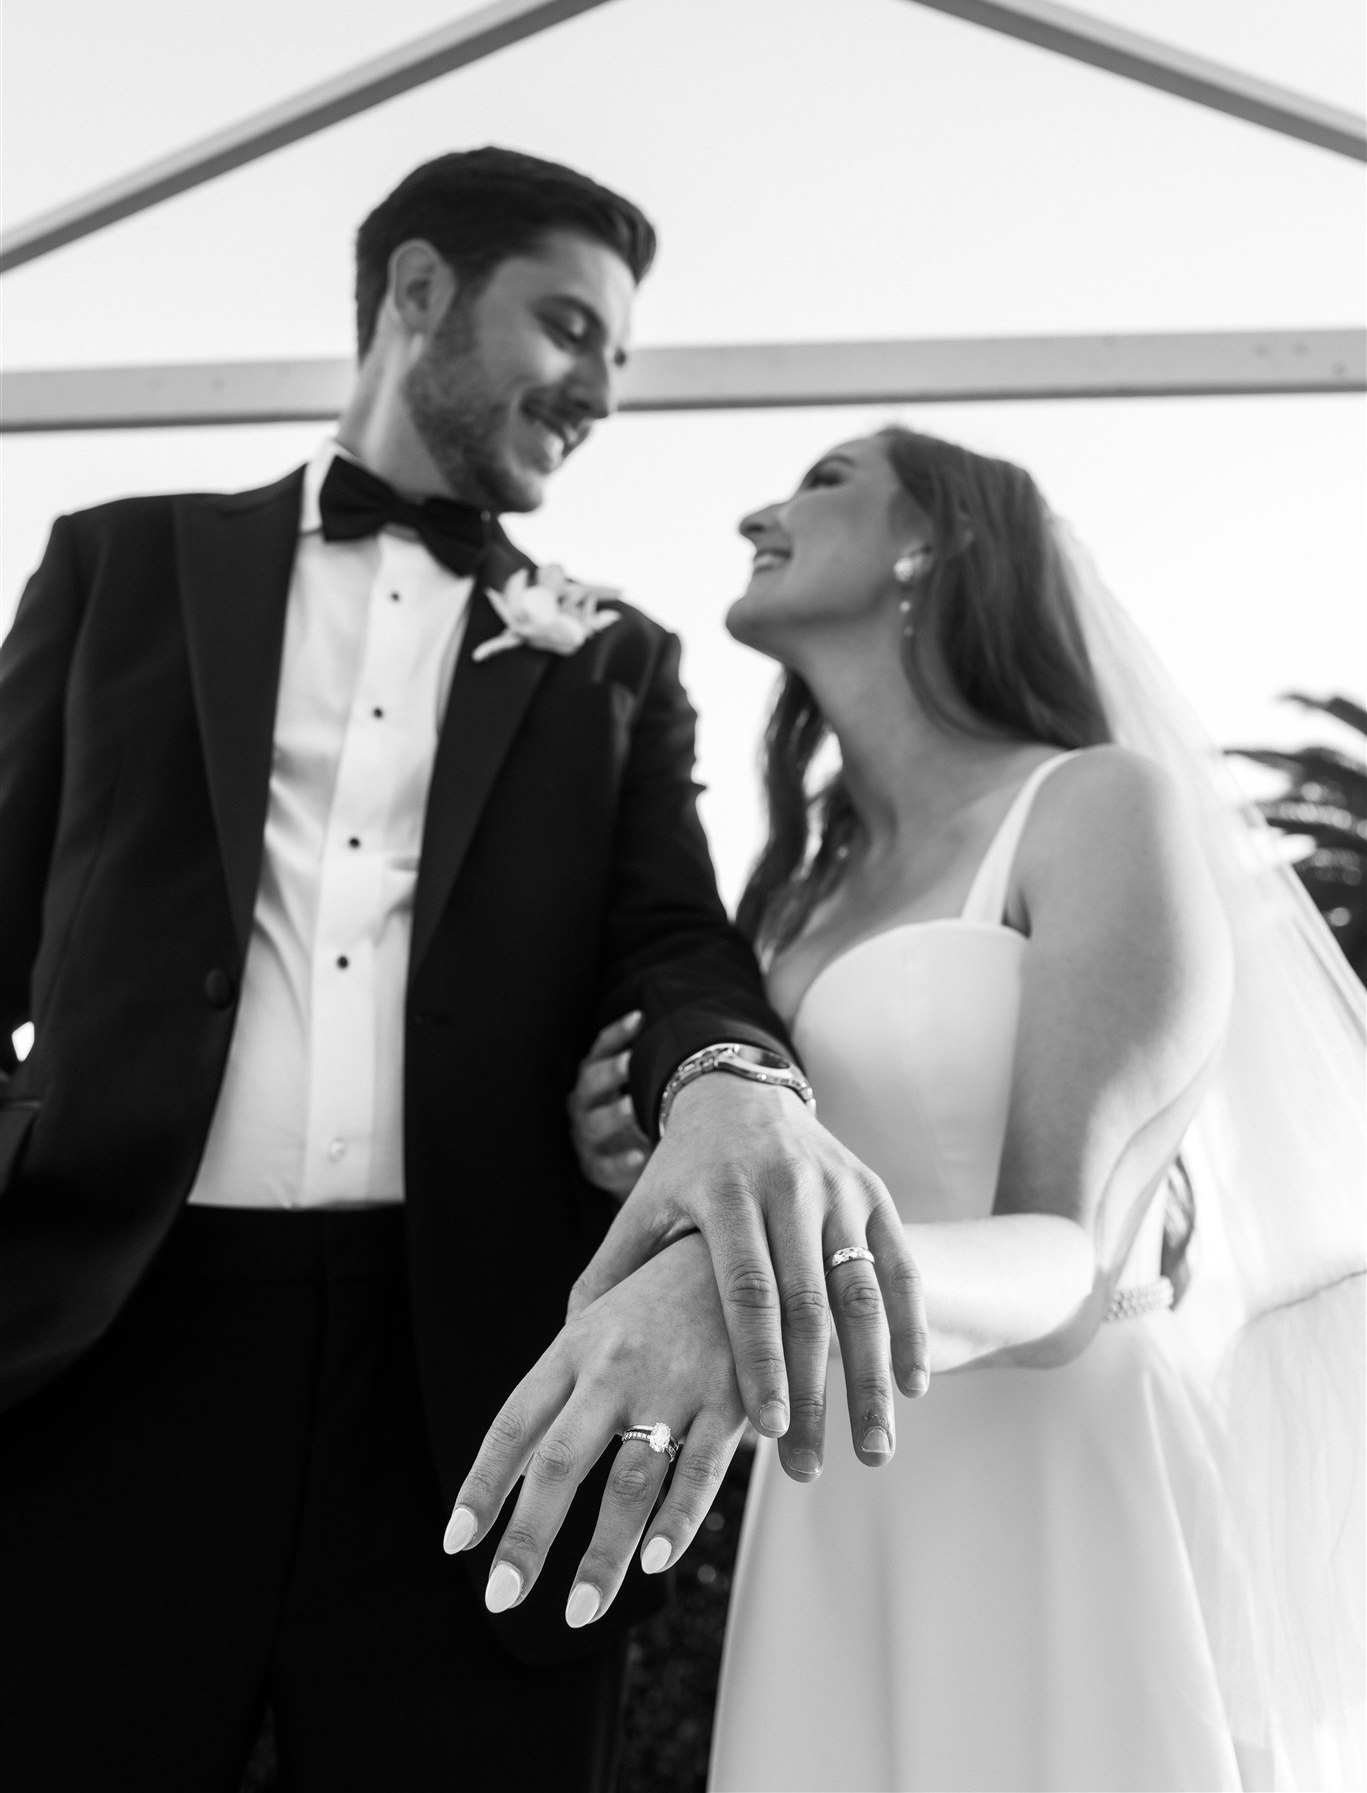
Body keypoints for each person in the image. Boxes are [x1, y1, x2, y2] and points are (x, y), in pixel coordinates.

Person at [0, 148, 928, 1793]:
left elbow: (675, 941)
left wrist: (733, 1085)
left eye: (618, 363)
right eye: (567, 329)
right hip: (104, 1350)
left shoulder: (615, 660)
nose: (595, 395)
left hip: (476, 1376)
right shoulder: (115, 565)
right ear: (418, 293)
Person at [556, 426, 1366, 1791]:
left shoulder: (1095, 806)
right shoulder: (790, 906)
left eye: (823, 483)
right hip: (839, 1505)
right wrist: (646, 1152)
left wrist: (783, 1276)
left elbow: (1070, 1271)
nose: (760, 509)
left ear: (933, 546)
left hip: (1059, 1479)